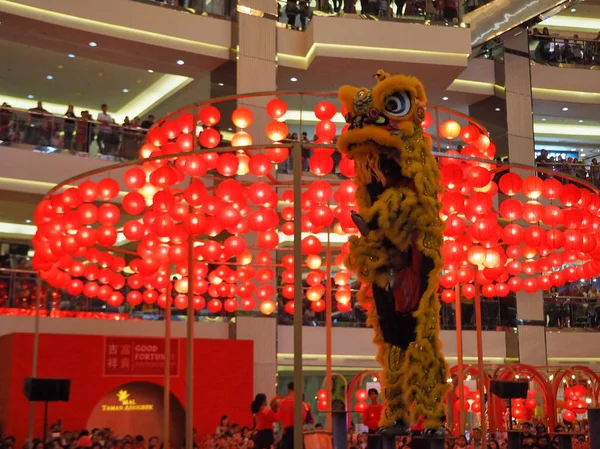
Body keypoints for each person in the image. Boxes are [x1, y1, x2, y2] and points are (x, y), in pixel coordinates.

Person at [278, 381, 307, 449]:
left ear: (288, 390)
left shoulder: (282, 403)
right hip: (296, 433)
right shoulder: (298, 402)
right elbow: (302, 418)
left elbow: (279, 417)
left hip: (285, 433)